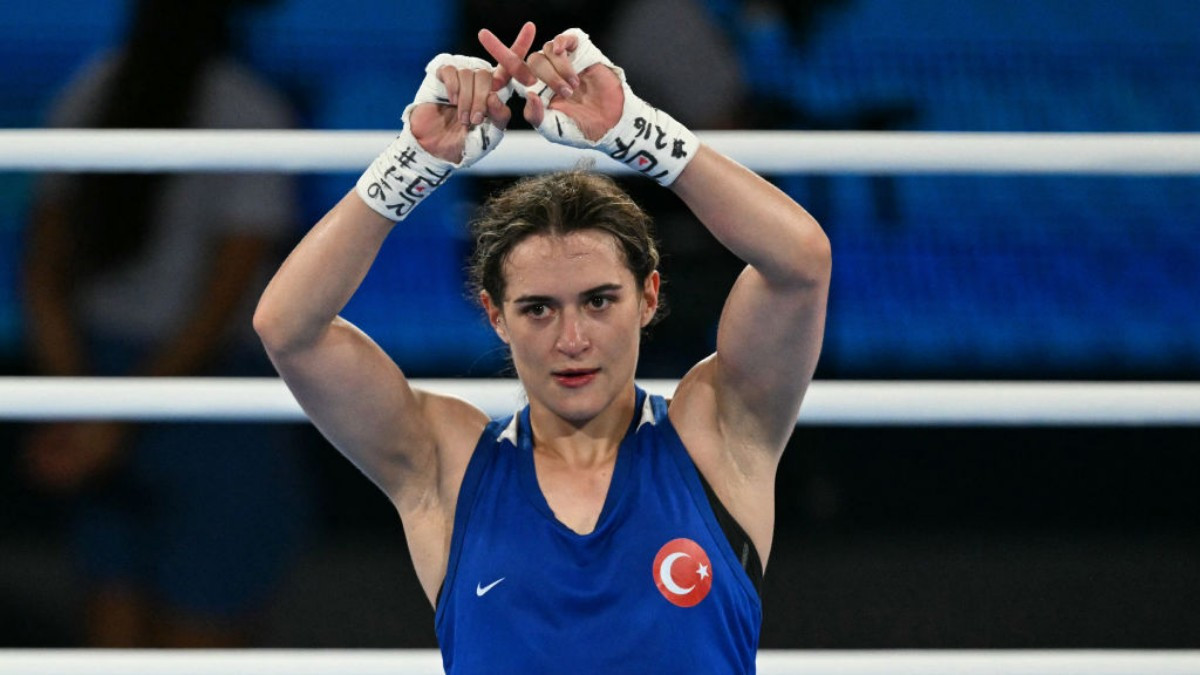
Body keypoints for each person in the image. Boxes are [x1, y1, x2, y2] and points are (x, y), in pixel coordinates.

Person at [255, 22, 830, 672]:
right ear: (497, 317)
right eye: (538, 308)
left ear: (648, 297)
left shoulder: (715, 435)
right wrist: (414, 162)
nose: (573, 339)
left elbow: (800, 264)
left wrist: (636, 130)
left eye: (598, 300)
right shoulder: (445, 465)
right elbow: (288, 327)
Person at [23, 0, 309, 647]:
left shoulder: (91, 88)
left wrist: (88, 404)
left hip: (116, 377)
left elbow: (43, 274)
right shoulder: (251, 111)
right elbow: (229, 304)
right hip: (204, 393)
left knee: (121, 622)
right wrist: (99, 411)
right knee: (184, 638)